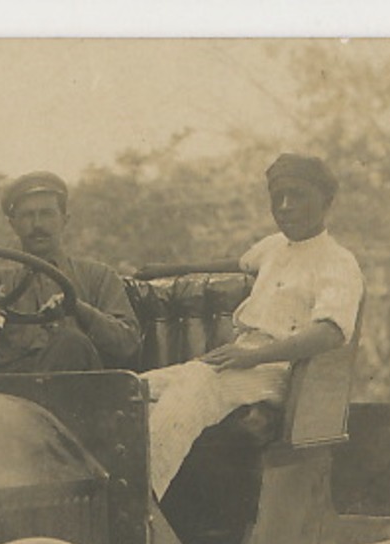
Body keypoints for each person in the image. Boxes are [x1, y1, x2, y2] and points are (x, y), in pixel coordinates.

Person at [143, 153, 364, 498]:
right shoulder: (274, 246)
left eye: (298, 195)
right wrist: (171, 268)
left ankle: (139, 503)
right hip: (240, 360)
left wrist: (255, 356)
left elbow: (330, 332)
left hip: (280, 371)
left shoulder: (338, 262)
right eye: (278, 197)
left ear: (327, 201)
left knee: (197, 382)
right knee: (135, 389)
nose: (286, 206)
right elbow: (238, 262)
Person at [0, 171, 141, 373]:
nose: (37, 225)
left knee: (71, 343)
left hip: (78, 395)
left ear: (64, 219)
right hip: (11, 394)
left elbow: (128, 344)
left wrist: (77, 309)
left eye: (47, 214)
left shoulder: (98, 277)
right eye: (27, 215)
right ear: (13, 224)